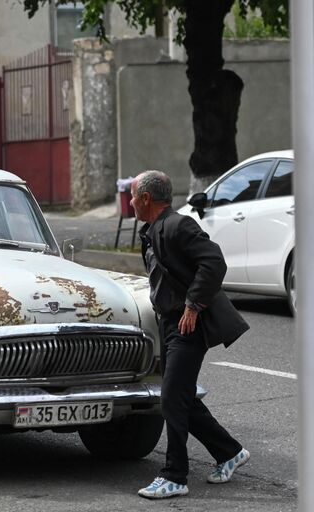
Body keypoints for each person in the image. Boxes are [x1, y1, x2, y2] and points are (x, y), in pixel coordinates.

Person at [131, 170, 249, 499]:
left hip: (187, 324)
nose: (129, 202)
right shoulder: (154, 229)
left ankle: (174, 475)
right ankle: (229, 452)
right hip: (170, 323)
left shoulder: (178, 225)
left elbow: (213, 262)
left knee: (171, 398)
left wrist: (193, 305)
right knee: (180, 397)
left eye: (132, 196)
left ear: (145, 199)